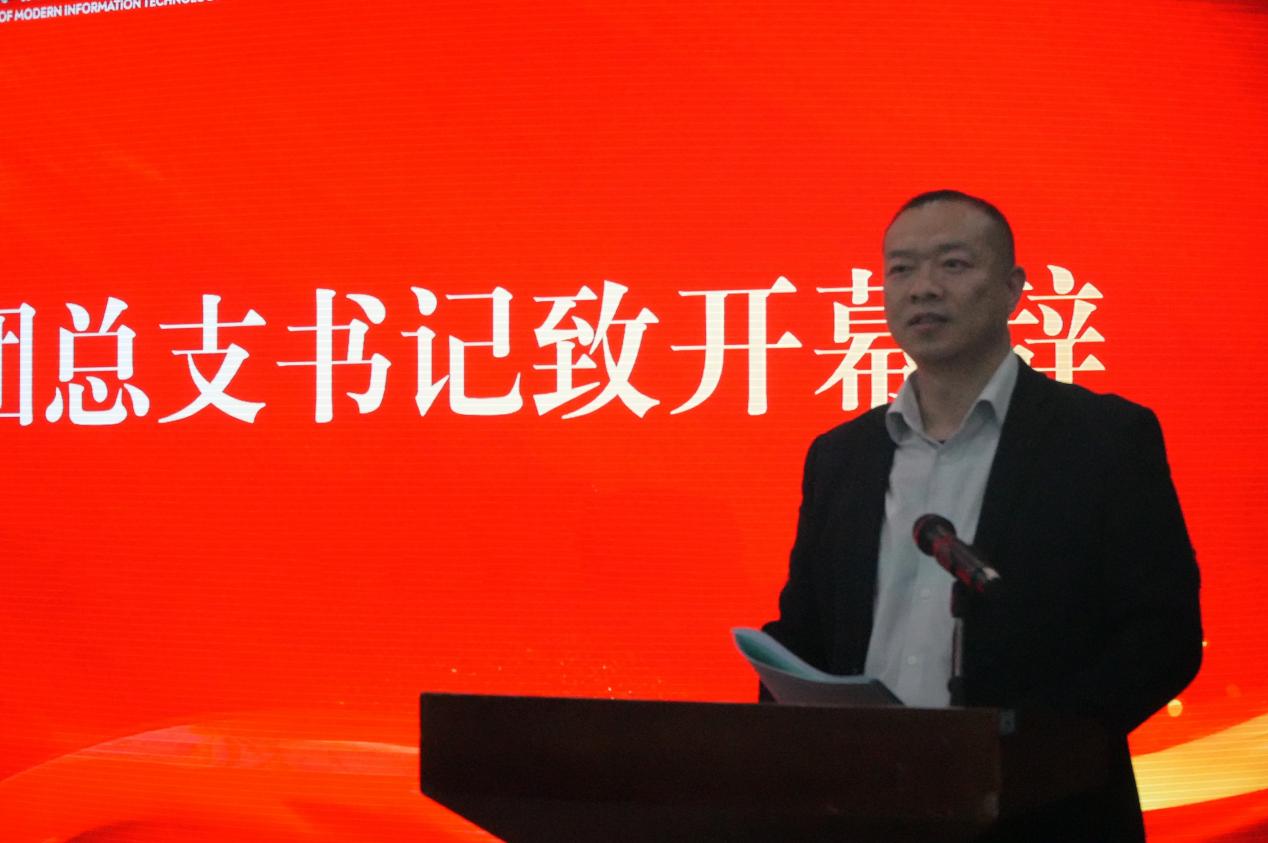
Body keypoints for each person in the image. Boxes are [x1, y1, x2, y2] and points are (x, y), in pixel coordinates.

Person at [762, 190, 1202, 841]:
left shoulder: (1104, 438)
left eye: (953, 264)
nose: (922, 288)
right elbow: (807, 635)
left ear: (1013, 288)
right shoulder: (840, 456)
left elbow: (1161, 637)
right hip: (860, 812)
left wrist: (1021, 753)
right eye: (901, 269)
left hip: (1043, 813)